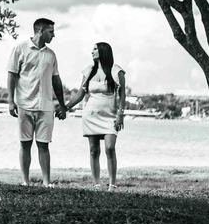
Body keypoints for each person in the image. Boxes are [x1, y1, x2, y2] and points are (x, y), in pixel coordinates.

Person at [7, 18, 68, 187]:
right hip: (24, 105)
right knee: (25, 144)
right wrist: (11, 101)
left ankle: (46, 182)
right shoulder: (20, 49)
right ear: (40, 31)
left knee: (44, 145)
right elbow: (12, 75)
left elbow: (56, 81)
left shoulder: (51, 55)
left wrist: (62, 105)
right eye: (51, 32)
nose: (53, 35)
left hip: (46, 107)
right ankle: (25, 181)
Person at [65, 41, 126, 189]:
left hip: (110, 116)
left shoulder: (116, 71)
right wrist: (65, 107)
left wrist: (120, 113)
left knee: (110, 148)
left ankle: (112, 184)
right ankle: (97, 184)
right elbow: (80, 93)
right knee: (94, 150)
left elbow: (123, 94)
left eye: (95, 49)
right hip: (90, 116)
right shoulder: (89, 70)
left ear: (103, 51)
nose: (92, 51)